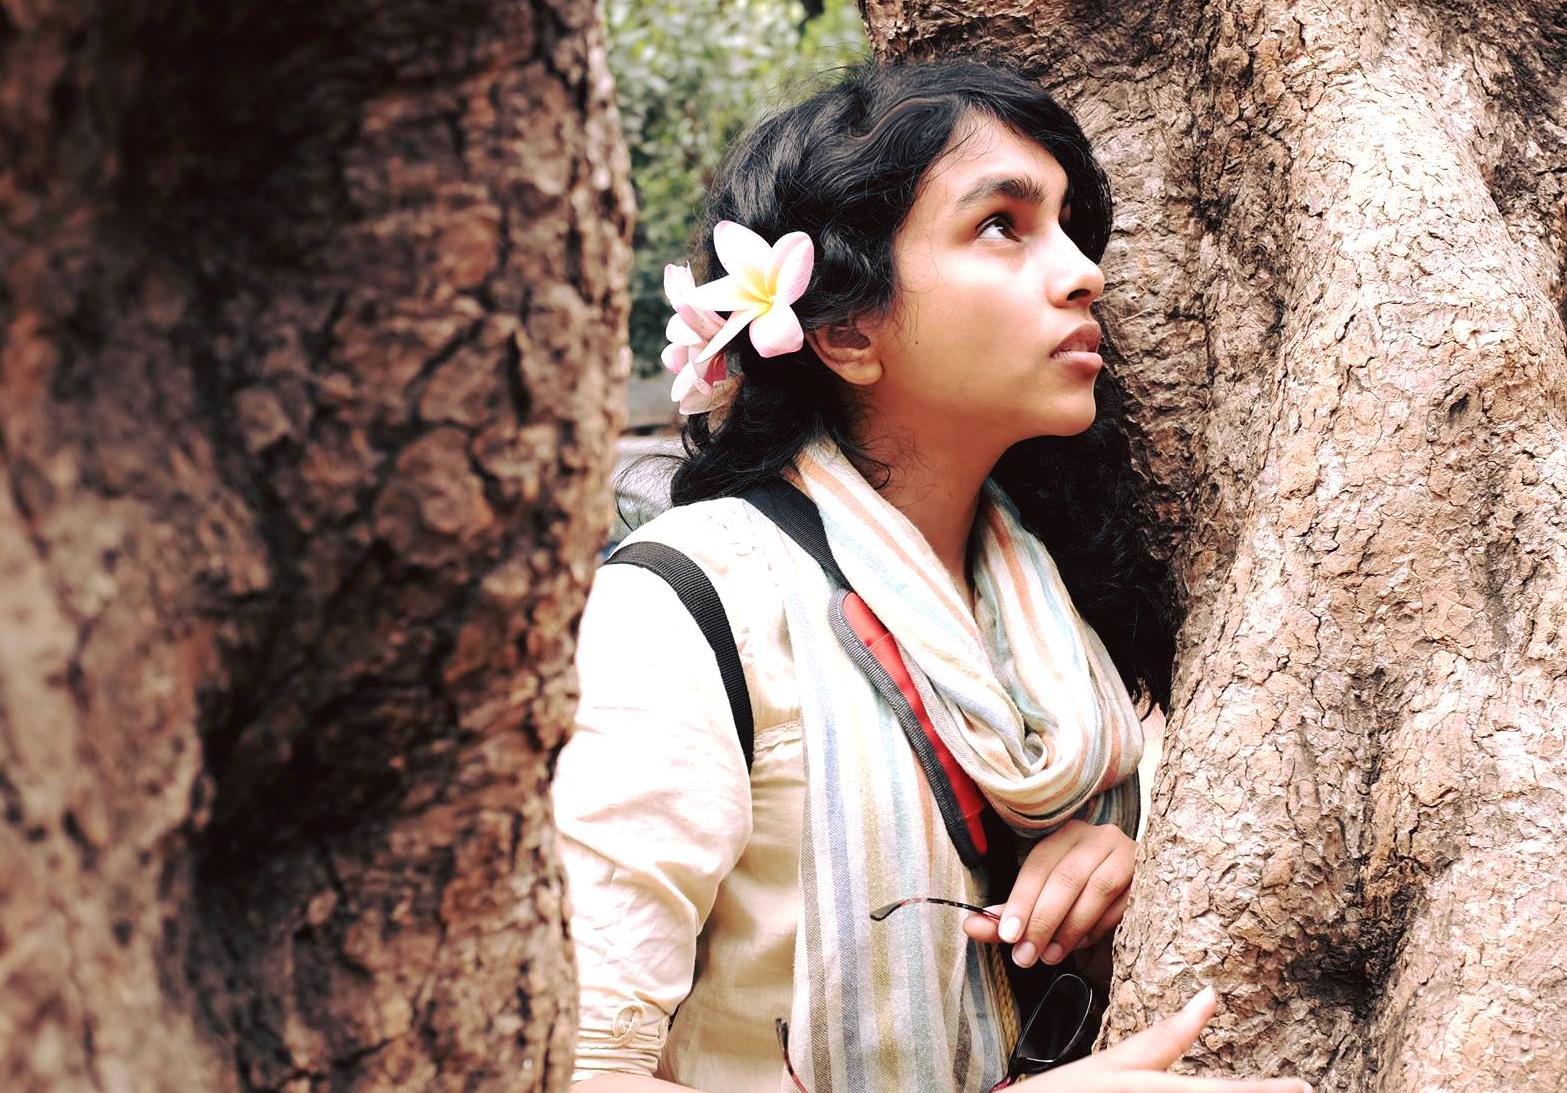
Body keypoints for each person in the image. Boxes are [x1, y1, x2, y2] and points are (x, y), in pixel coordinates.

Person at [554, 59, 1310, 1093]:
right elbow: (562, 1068)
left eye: (1070, 228)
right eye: (1001, 225)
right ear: (846, 331)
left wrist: (1120, 892)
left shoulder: (1075, 619)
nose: (1082, 273)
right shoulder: (687, 611)